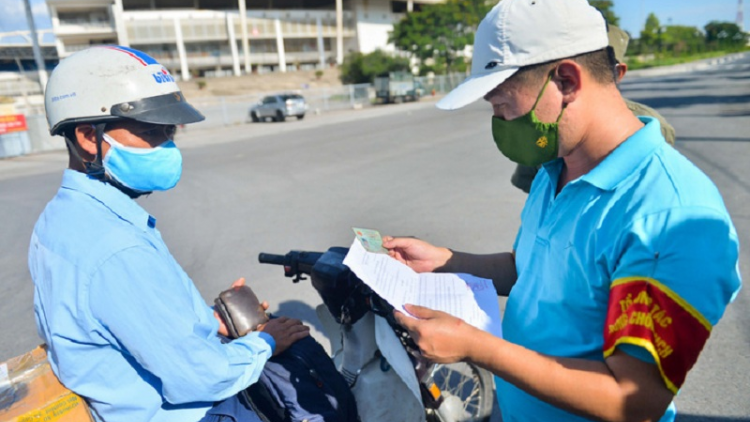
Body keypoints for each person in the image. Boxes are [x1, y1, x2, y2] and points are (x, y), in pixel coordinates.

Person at [383, 1, 742, 421]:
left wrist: (475, 347)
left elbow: (635, 400)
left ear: (567, 80)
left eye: (502, 106)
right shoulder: (554, 169)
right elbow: (534, 271)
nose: (499, 121)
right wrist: (445, 261)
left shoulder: (668, 214)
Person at [29, 46, 310, 422]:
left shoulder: (59, 219)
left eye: (170, 131)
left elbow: (109, 323)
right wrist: (266, 342)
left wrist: (208, 322)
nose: (169, 147)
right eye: (150, 132)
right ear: (86, 136)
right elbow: (201, 377)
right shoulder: (117, 248)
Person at [510, 24, 676, 193]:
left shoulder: (647, 125)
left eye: (596, 67)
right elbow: (534, 186)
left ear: (618, 73)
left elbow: (657, 187)